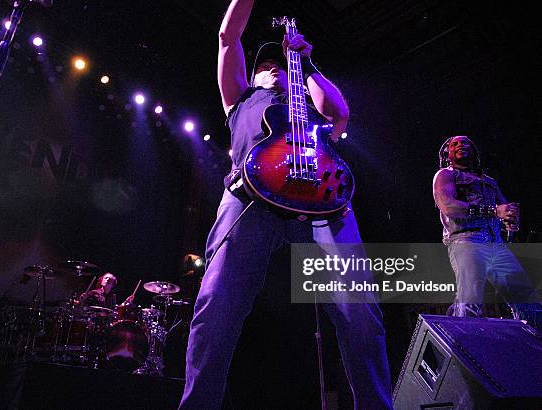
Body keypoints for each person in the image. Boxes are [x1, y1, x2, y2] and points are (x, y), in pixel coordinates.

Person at [179, 1, 392, 409]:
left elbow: (341, 113)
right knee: (216, 310)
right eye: (267, 64)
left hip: (323, 205)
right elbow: (228, 37)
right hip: (249, 201)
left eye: (280, 63)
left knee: (360, 314)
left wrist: (305, 64)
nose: (274, 67)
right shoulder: (240, 98)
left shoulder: (307, 107)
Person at [432, 135, 540, 320]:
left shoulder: (489, 181)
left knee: (527, 300)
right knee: (471, 303)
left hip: (496, 243)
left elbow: (502, 208)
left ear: (474, 152)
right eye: (455, 144)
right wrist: (494, 211)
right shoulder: (445, 175)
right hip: (466, 240)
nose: (461, 145)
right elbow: (448, 207)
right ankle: (465, 346)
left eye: (466, 143)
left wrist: (509, 218)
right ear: (447, 153)